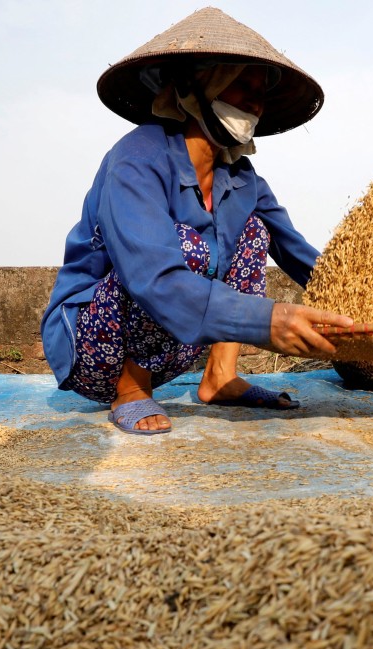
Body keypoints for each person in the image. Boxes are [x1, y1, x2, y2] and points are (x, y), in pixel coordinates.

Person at [41, 7, 352, 435]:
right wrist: (267, 320)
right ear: (194, 87)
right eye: (241, 82)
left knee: (252, 232)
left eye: (260, 89)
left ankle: (219, 376)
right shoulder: (137, 160)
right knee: (186, 245)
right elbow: (152, 275)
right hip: (96, 345)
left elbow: (296, 252)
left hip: (176, 342)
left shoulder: (242, 178)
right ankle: (131, 389)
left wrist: (358, 305)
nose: (254, 99)